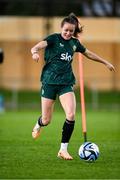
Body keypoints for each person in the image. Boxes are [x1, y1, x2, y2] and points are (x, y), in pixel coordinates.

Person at [31, 13, 115, 160]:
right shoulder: (53, 39)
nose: (68, 33)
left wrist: (105, 62)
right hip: (49, 83)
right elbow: (36, 47)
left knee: (70, 114)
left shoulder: (75, 43)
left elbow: (88, 53)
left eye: (71, 30)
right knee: (46, 120)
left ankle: (63, 150)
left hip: (66, 83)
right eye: (66, 30)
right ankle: (38, 125)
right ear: (61, 28)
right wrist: (34, 53)